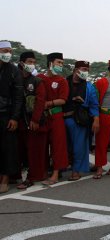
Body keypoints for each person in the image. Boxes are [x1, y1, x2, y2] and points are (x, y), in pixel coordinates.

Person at [16, 51, 48, 189]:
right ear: (22, 63)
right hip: (16, 121)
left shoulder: (37, 81)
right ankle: (14, 176)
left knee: (33, 151)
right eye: (29, 61)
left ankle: (31, 177)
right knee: (17, 151)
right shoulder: (14, 77)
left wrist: (35, 120)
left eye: (34, 62)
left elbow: (40, 102)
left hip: (32, 122)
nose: (32, 64)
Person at [37, 52, 69, 185]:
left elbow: (63, 100)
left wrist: (48, 104)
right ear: (50, 63)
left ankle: (56, 174)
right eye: (58, 62)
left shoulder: (62, 81)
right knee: (42, 144)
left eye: (62, 63)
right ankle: (42, 172)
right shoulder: (39, 78)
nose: (61, 65)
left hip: (56, 116)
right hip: (42, 117)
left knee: (57, 145)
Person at [64, 61, 99, 181]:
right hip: (62, 119)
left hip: (80, 120)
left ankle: (76, 170)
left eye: (87, 70)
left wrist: (96, 119)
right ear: (75, 70)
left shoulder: (89, 86)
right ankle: (62, 167)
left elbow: (94, 105)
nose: (86, 72)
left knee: (79, 147)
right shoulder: (64, 82)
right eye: (83, 69)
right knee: (63, 146)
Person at [0, 41, 23, 193]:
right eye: (4, 50)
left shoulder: (14, 70)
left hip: (7, 115)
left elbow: (18, 97)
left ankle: (5, 179)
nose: (7, 53)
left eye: (10, 51)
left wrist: (14, 117)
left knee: (7, 148)